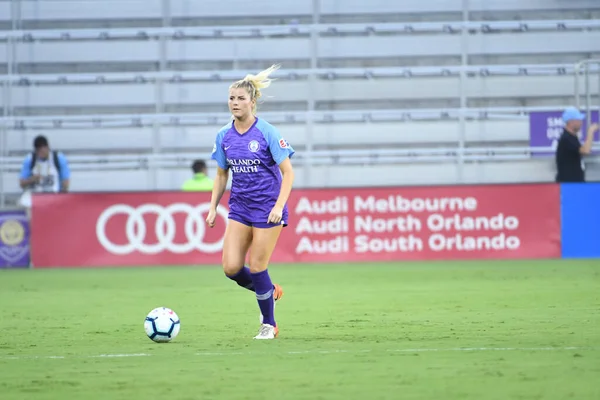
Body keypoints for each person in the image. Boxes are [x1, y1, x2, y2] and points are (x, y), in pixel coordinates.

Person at [205, 64, 295, 340]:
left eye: (240, 98)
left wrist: (279, 206)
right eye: (231, 98)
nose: (235, 103)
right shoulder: (224, 136)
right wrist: (212, 207)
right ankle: (270, 290)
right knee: (231, 268)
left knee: (257, 266)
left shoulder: (266, 131)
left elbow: (288, 172)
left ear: (252, 102)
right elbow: (222, 175)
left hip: (268, 208)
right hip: (240, 208)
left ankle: (269, 323)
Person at [18, 135, 70, 210]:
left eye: (42, 150)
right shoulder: (30, 159)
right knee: (23, 202)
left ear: (47, 147)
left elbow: (66, 182)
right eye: (38, 151)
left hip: (54, 195)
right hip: (35, 195)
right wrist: (32, 180)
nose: (40, 153)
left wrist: (62, 195)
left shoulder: (58, 158)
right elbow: (22, 184)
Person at [555, 107, 599, 183]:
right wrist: (591, 132)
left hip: (574, 183)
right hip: (569, 185)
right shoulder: (566, 138)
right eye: (579, 120)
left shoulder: (572, 137)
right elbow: (586, 150)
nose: (581, 123)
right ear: (571, 122)